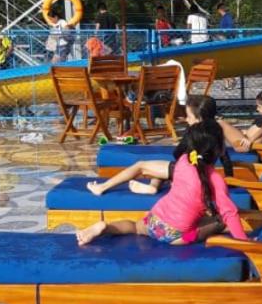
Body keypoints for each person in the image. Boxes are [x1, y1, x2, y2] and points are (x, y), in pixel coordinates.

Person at [76, 124, 248, 247]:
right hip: (176, 236)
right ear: (219, 149)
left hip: (154, 219)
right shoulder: (215, 180)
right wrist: (245, 243)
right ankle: (240, 240)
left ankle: (106, 227)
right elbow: (230, 213)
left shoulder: (183, 161)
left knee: (135, 227)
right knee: (221, 221)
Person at [87, 95, 232, 196]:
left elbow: (177, 153)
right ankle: (152, 186)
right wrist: (229, 180)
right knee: (162, 167)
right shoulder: (217, 130)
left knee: (141, 165)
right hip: (203, 173)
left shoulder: (193, 132)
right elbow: (225, 158)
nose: (186, 119)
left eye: (188, 116)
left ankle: (102, 187)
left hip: (186, 173)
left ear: (198, 118)